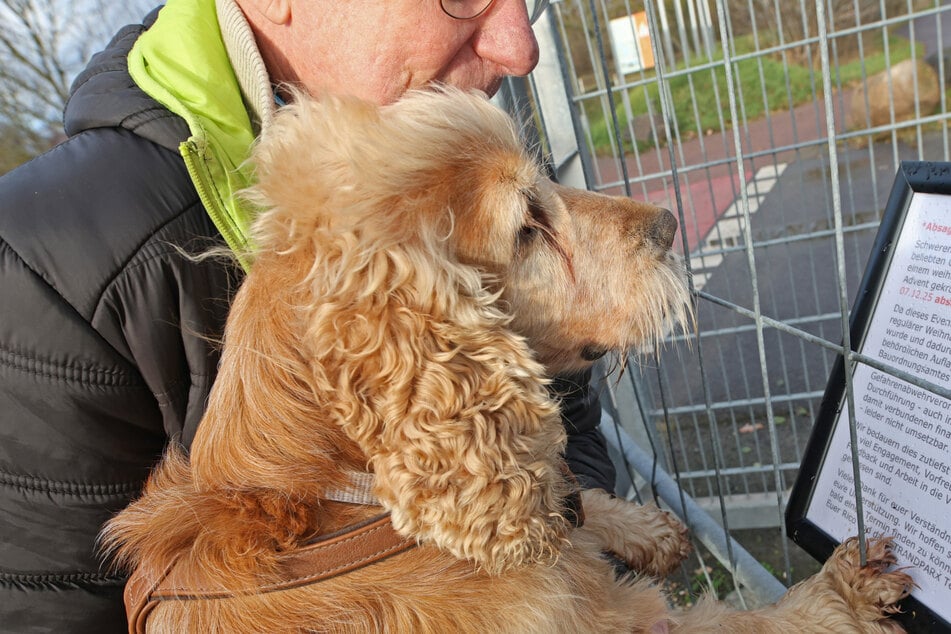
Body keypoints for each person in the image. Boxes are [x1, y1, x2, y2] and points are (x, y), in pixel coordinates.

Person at [0, 0, 616, 630]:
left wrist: (592, 578)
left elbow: (568, 427)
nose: (519, 49)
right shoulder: (44, 265)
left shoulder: (442, 147)